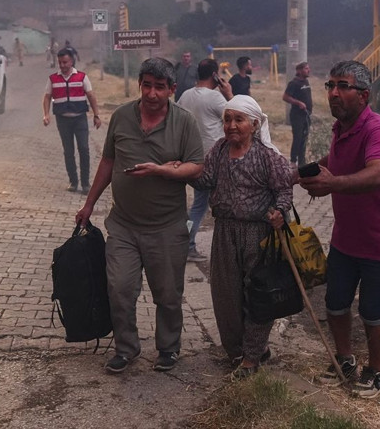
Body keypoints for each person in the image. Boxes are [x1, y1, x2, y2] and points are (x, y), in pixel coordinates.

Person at [76, 58, 204, 375]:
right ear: (140, 85)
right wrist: (89, 203)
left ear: (172, 89)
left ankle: (169, 348)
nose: (151, 93)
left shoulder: (184, 122)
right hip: (123, 224)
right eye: (146, 84)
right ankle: (126, 348)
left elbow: (196, 166)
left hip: (167, 227)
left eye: (160, 87)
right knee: (119, 289)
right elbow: (107, 161)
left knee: (168, 294)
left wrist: (162, 170)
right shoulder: (121, 117)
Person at [297, 60, 380, 399]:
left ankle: (376, 370)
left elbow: (376, 174)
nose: (333, 93)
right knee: (334, 303)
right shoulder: (340, 128)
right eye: (330, 85)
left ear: (363, 94)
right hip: (347, 238)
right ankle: (345, 359)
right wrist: (294, 174)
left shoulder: (378, 130)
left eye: (342, 86)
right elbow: (331, 163)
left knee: (373, 312)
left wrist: (332, 184)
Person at [188, 95, 292, 379]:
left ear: (254, 124)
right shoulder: (219, 150)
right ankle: (239, 349)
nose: (231, 125)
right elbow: (205, 179)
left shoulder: (268, 156)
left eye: (239, 120)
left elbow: (284, 190)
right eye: (227, 119)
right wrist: (180, 169)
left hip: (257, 234)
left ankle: (251, 358)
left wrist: (279, 211)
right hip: (224, 232)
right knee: (225, 295)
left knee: (258, 294)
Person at [177, 58, 233, 261]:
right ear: (215, 75)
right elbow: (237, 117)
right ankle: (189, 244)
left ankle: (186, 242)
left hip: (190, 157)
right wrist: (229, 95)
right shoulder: (215, 98)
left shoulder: (185, 95)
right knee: (205, 205)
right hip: (213, 159)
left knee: (199, 204)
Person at [43, 49, 102, 194]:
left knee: (84, 149)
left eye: (65, 62)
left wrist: (96, 115)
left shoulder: (82, 77)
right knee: (68, 152)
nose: (62, 65)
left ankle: (86, 183)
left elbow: (91, 96)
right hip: (63, 120)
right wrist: (46, 114)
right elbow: (47, 97)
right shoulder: (53, 79)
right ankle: (73, 182)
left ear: (71, 61)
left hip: (80, 119)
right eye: (60, 62)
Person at [282, 61, 312, 167]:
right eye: (306, 68)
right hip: (297, 115)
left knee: (304, 138)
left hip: (306, 115)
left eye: (308, 68)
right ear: (299, 71)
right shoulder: (293, 83)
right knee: (298, 138)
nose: (308, 70)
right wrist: (298, 103)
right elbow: (285, 97)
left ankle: (302, 161)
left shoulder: (306, 82)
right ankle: (293, 161)